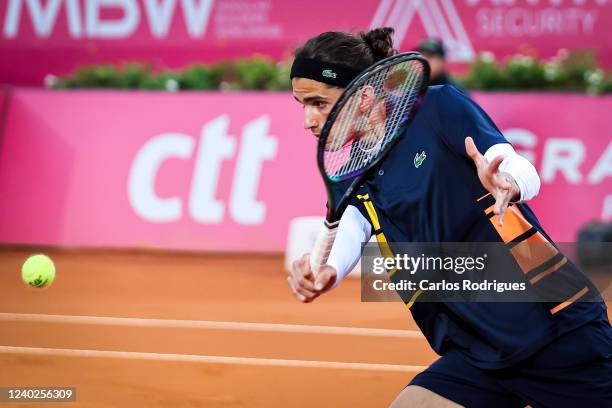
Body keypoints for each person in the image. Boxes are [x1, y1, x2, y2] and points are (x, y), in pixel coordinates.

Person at [287, 27, 612, 407]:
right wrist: (327, 270)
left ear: (363, 96)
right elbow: (355, 224)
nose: (308, 120)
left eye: (318, 103)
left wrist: (509, 181)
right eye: (301, 104)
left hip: (554, 333)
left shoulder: (438, 108)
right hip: (476, 352)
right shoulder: (353, 169)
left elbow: (514, 165)